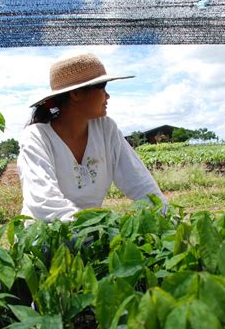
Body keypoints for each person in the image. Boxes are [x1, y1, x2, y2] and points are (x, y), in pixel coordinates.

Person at [17, 53, 167, 222]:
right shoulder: (37, 137)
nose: (107, 96)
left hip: (91, 233)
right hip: (46, 238)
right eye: (102, 87)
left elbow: (141, 185)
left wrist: (166, 219)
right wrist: (94, 230)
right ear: (76, 95)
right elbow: (44, 204)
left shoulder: (106, 129)